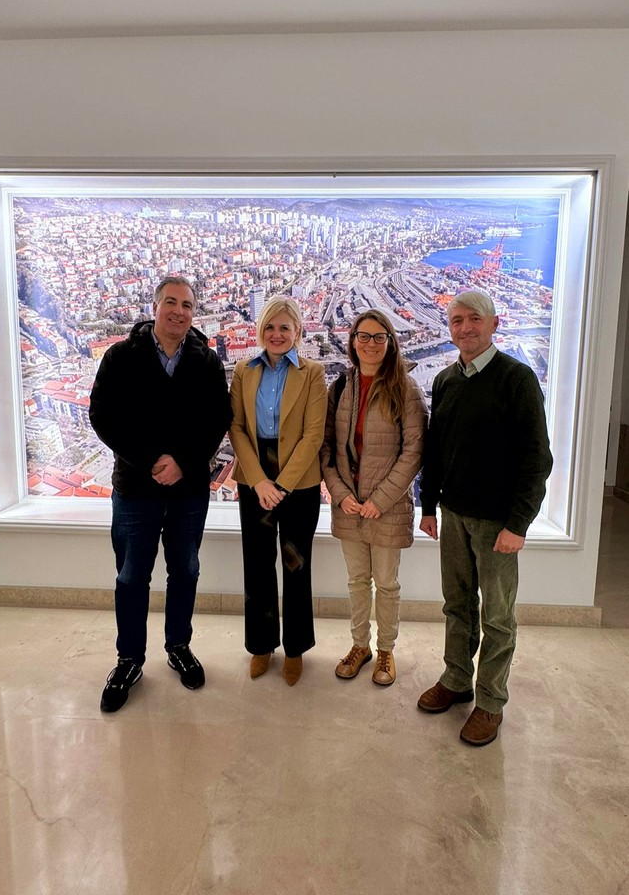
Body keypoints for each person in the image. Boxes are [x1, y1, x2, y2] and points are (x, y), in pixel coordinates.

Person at [89, 276, 232, 712]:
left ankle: (178, 646)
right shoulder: (120, 356)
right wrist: (150, 461)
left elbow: (218, 419)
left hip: (188, 490)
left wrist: (183, 462)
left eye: (187, 305)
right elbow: (102, 416)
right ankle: (129, 660)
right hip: (136, 488)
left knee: (185, 571)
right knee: (132, 577)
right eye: (171, 302)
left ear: (193, 313)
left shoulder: (206, 360)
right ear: (154, 307)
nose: (179, 311)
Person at [418, 289, 553, 745]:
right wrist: (429, 506)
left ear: (494, 324)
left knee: (497, 616)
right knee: (456, 604)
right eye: (456, 321)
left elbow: (537, 458)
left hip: (498, 522)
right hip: (454, 515)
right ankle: (456, 679)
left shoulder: (517, 379)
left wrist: (519, 524)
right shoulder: (445, 380)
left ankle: (491, 702)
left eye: (474, 318)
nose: (465, 328)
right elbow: (436, 450)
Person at [320, 310, 427, 686]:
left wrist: (380, 500)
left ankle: (385, 650)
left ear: (390, 342)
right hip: (349, 505)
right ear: (352, 342)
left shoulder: (406, 389)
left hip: (388, 508)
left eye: (379, 337)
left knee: (386, 583)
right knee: (356, 581)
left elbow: (414, 451)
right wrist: (340, 494)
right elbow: (326, 448)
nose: (370, 344)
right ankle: (359, 645)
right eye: (363, 336)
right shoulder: (340, 387)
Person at [229, 297, 327, 686]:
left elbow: (313, 435)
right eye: (270, 327)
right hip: (255, 475)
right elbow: (236, 427)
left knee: (294, 565)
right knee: (257, 564)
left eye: (285, 327)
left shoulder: (312, 373)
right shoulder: (244, 370)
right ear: (260, 331)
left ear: (297, 332)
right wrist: (259, 481)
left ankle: (296, 648)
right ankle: (261, 645)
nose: (276, 334)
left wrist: (282, 484)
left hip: (298, 481)